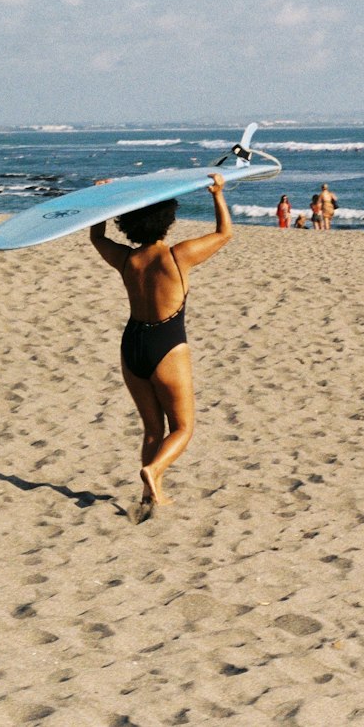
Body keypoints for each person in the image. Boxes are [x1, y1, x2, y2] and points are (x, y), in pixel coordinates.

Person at [90, 173, 232, 508]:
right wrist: (218, 194)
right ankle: (154, 471)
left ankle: (149, 496)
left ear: (130, 224)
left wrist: (102, 202)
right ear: (167, 220)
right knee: (182, 428)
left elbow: (97, 237)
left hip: (132, 345)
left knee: (153, 430)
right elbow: (224, 233)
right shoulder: (177, 256)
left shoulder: (126, 259)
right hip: (166, 343)